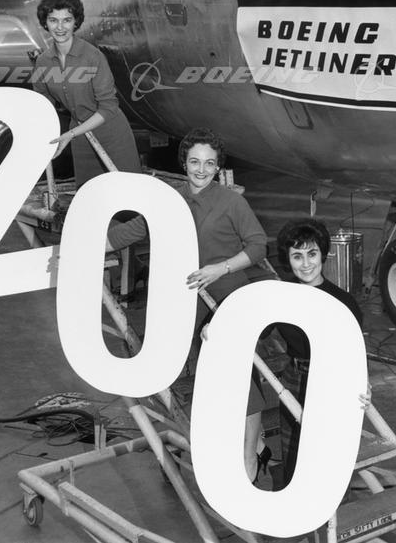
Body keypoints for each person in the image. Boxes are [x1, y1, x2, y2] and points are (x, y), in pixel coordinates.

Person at [107, 127, 274, 481]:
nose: (201, 170)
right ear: (184, 162)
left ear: (218, 167)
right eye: (195, 161)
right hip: (190, 303)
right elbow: (131, 231)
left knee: (241, 379)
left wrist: (220, 268)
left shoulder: (231, 202)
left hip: (228, 297)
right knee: (213, 379)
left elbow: (258, 246)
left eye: (209, 163)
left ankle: (250, 455)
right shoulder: (170, 200)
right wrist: (80, 245)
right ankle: (245, 443)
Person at [271, 218, 364, 488]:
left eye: (312, 254)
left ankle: (334, 509)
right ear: (288, 260)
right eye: (297, 256)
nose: (306, 264)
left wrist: (362, 385)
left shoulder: (343, 302)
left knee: (331, 460)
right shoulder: (280, 298)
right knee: (294, 457)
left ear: (323, 254)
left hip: (331, 384)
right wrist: (213, 325)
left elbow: (354, 354)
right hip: (294, 380)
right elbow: (249, 323)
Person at [33, 0, 141, 186]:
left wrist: (71, 134)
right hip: (80, 138)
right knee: (88, 195)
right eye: (53, 20)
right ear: (45, 23)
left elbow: (108, 107)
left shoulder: (93, 56)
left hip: (111, 133)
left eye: (66, 20)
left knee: (126, 195)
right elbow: (42, 102)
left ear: (76, 22)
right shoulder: (43, 62)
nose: (60, 27)